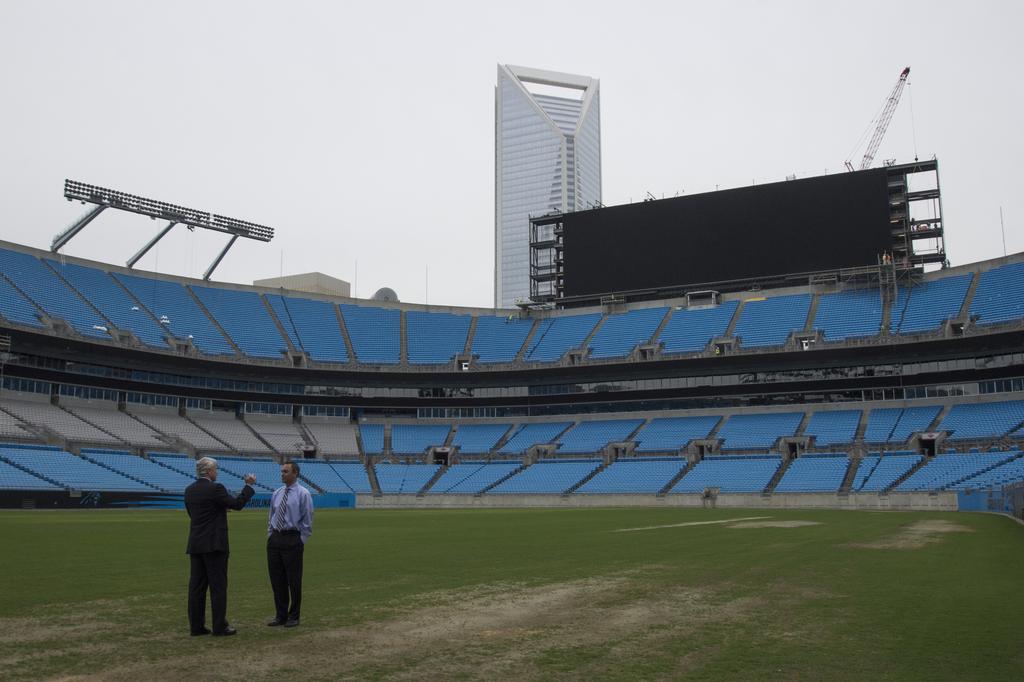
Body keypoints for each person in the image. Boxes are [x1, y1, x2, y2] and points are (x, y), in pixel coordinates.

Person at [184, 456, 256, 637]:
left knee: (196, 587)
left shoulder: (189, 490)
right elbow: (237, 504)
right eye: (215, 469)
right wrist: (248, 486)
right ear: (209, 471)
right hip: (215, 544)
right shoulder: (216, 488)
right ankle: (219, 626)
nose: (216, 472)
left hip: (196, 543)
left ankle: (196, 626)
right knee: (218, 587)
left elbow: (194, 514)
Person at [266, 461, 314, 628]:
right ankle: (280, 615)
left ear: (295, 474)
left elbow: (307, 520)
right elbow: (271, 515)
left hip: (292, 538)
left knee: (293, 580)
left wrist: (301, 540)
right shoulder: (277, 493)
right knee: (276, 579)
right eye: (282, 471)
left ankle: (294, 615)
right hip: (275, 539)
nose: (282, 474)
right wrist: (270, 535)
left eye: (286, 471)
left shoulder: (303, 494)